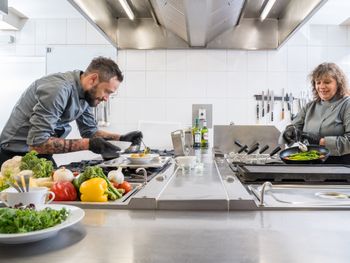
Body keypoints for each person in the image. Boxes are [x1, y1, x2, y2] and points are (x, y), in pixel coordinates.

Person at [0, 56, 143, 167]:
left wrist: (121, 138)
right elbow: (37, 143)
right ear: (93, 79)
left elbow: (90, 132)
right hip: (14, 155)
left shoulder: (87, 95)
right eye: (107, 91)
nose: (106, 98)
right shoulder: (58, 90)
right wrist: (88, 144)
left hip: (40, 153)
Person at [281, 62, 350, 164]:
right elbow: (294, 127)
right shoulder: (310, 106)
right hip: (309, 165)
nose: (321, 86)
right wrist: (289, 131)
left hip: (339, 167)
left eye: (327, 82)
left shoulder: (347, 104)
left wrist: (320, 141)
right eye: (318, 82)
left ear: (338, 84)